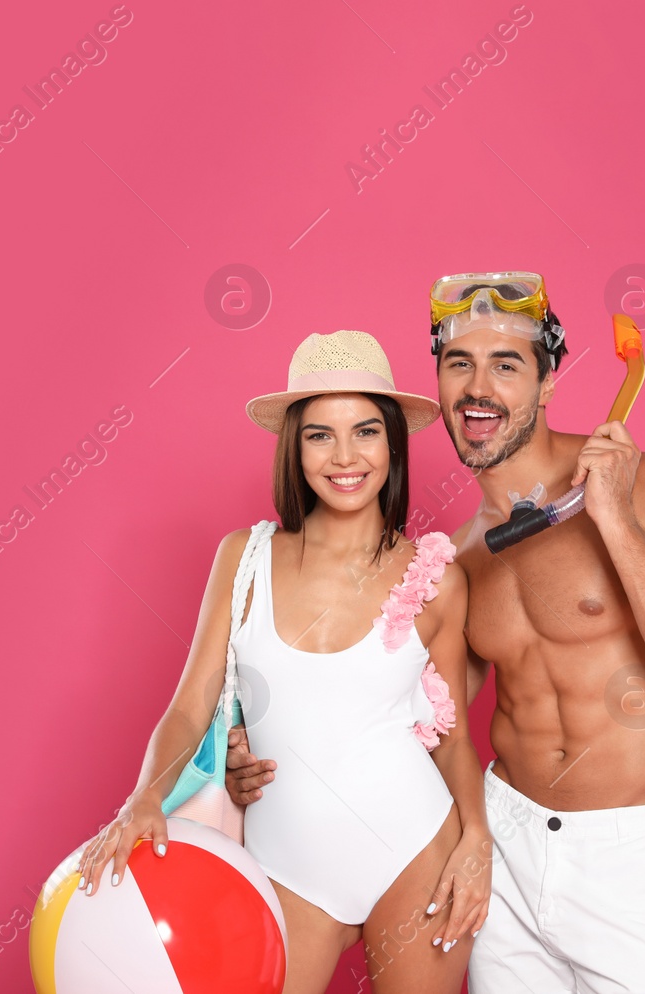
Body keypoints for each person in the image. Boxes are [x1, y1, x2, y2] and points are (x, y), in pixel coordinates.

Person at [229, 275, 645, 994]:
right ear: (438, 388)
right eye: (458, 364)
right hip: (503, 845)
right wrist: (247, 751)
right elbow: (405, 723)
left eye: (506, 365)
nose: (479, 388)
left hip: (629, 852)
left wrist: (616, 520)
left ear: (547, 382)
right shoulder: (465, 554)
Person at [78, 330, 492, 994]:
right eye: (320, 436)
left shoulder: (435, 577)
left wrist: (477, 844)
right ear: (294, 449)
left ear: (392, 442)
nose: (346, 456)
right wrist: (143, 798)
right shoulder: (242, 558)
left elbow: (454, 743)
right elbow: (190, 704)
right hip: (288, 868)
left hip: (416, 848)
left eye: (364, 431)